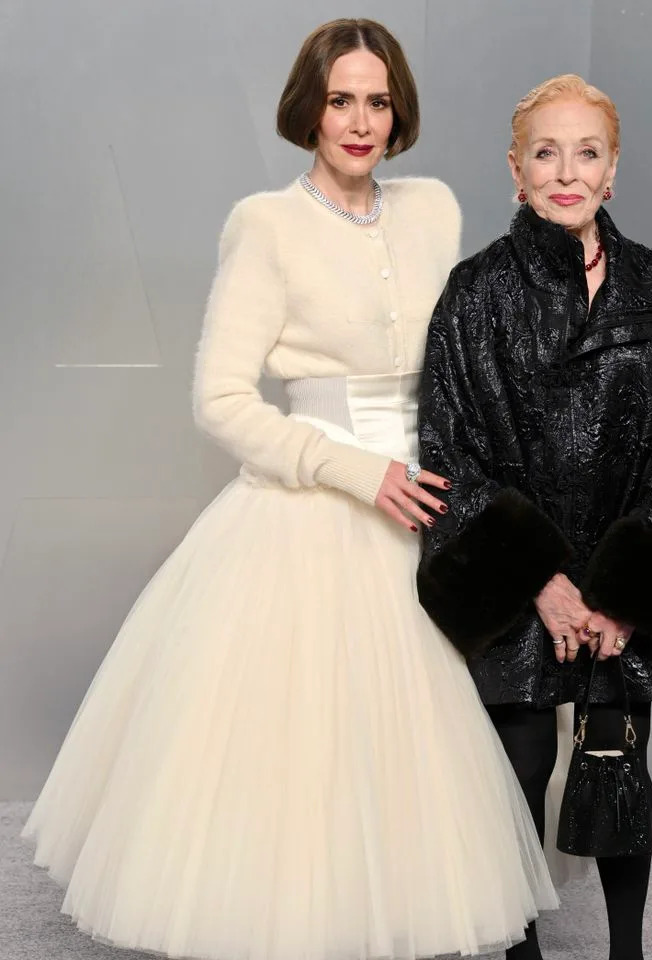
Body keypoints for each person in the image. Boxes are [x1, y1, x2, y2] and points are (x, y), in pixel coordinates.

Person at [22, 20, 557, 960]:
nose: (359, 121)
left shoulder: (433, 209)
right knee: (307, 757)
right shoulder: (266, 227)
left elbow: (470, 359)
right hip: (314, 513)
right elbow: (220, 402)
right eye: (340, 99)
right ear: (307, 106)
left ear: (400, 113)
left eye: (378, 101)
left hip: (437, 503)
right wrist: (355, 472)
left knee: (436, 749)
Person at [417, 74, 652, 960]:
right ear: (515, 171)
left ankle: (628, 950)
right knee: (516, 772)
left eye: (586, 152)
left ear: (612, 170)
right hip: (525, 586)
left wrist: (625, 597)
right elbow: (451, 448)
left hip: (619, 586)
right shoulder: (474, 296)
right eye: (545, 152)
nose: (566, 170)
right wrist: (541, 584)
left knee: (619, 766)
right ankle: (519, 951)